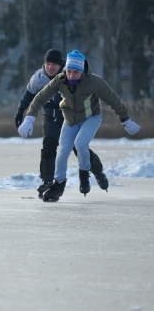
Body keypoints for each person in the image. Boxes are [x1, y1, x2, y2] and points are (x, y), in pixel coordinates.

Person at [19, 50, 141, 202]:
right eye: (68, 71)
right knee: (62, 151)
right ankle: (59, 184)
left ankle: (86, 175)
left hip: (91, 117)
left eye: (75, 72)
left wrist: (125, 120)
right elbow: (41, 97)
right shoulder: (61, 79)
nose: (71, 76)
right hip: (70, 119)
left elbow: (113, 100)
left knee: (80, 144)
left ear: (82, 71)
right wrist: (29, 117)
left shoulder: (95, 82)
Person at [14, 49, 106, 197]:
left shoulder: (69, 74)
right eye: (47, 64)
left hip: (69, 117)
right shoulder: (38, 77)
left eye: (54, 64)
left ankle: (97, 171)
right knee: (49, 145)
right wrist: (20, 112)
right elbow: (29, 96)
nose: (50, 67)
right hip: (50, 117)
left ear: (61, 65)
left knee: (78, 147)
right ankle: (48, 181)